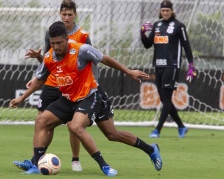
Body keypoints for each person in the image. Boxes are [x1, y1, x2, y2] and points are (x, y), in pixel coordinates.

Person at [10, 21, 162, 176]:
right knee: (42, 121)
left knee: (104, 133)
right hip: (68, 99)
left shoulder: (82, 50)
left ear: (66, 39)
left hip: (90, 96)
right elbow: (40, 80)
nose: (56, 47)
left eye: (59, 43)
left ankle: (113, 163)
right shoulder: (49, 57)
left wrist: (129, 72)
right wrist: (21, 98)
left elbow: (105, 59)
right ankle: (36, 164)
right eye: (53, 43)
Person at [14, 0, 92, 172]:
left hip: (73, 86)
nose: (66, 17)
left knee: (74, 125)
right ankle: (36, 161)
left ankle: (75, 160)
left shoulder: (83, 35)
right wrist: (36, 76)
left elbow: (91, 62)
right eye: (64, 14)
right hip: (51, 84)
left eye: (69, 14)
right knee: (41, 121)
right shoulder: (52, 33)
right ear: (60, 14)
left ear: (75, 15)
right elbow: (48, 62)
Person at [140, 0, 196, 138]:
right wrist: (142, 33)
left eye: (167, 10)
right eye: (163, 10)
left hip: (172, 66)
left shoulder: (179, 26)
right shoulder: (157, 25)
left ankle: (157, 130)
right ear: (160, 11)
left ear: (172, 11)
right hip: (158, 66)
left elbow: (186, 46)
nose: (165, 13)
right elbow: (148, 45)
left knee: (166, 98)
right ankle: (182, 127)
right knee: (165, 99)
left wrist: (191, 65)